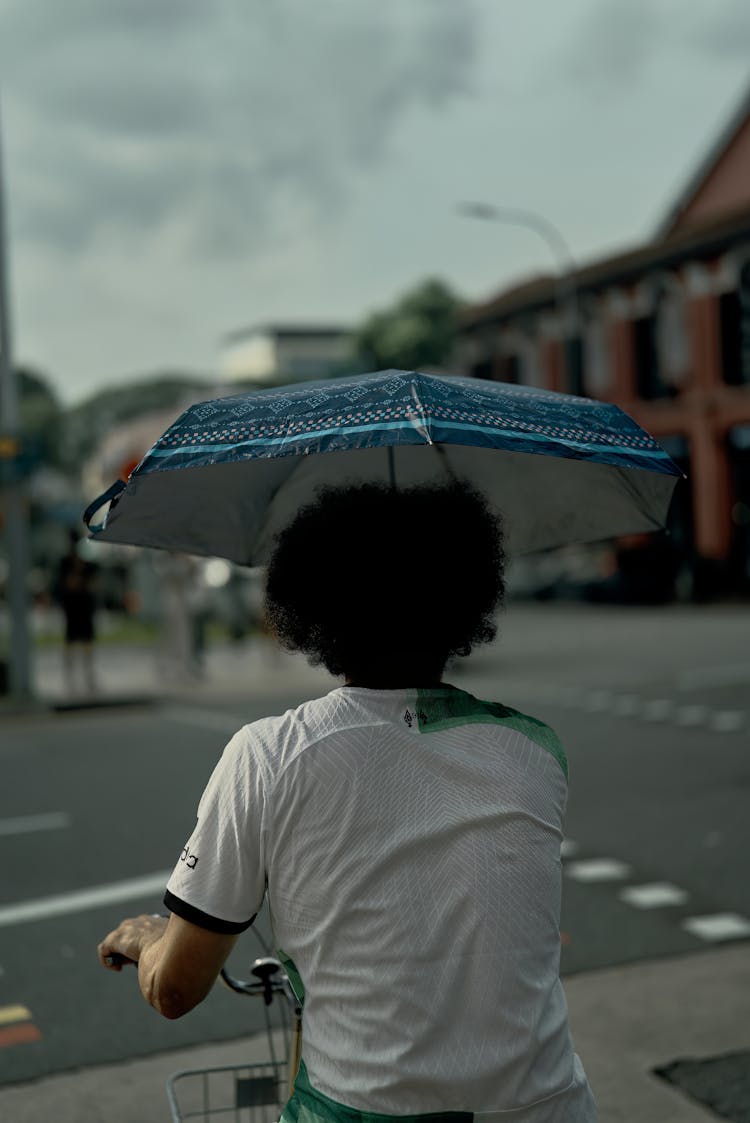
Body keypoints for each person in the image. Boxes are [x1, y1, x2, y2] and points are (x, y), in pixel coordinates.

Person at [98, 482, 597, 1122]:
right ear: (466, 599)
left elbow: (175, 991)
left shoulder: (270, 754)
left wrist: (148, 939)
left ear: (313, 606)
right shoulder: (533, 750)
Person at [55, 530, 99, 694]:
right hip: (73, 607)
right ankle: (72, 680)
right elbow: (67, 584)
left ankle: (88, 678)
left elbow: (91, 583)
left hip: (83, 607)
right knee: (72, 644)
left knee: (86, 644)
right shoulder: (65, 564)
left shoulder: (86, 564)